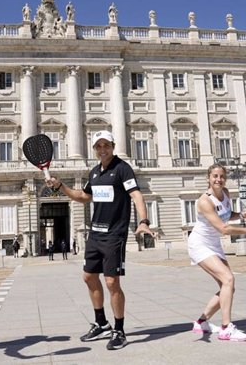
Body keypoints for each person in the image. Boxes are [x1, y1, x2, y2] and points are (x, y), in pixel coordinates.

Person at [46, 130, 150, 350]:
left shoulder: (122, 168)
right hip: (96, 234)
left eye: (106, 145)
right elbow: (83, 197)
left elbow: (136, 195)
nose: (103, 149)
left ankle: (119, 330)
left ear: (113, 145)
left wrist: (144, 221)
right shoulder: (94, 172)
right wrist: (60, 186)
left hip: (115, 234)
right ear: (94, 149)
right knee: (89, 277)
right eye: (98, 146)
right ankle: (101, 322)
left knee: (112, 282)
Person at [188, 164, 246, 342]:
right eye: (215, 176)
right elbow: (223, 228)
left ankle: (201, 322)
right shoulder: (204, 201)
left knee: (228, 286)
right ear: (208, 178)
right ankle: (226, 328)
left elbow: (227, 215)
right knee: (228, 279)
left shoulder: (226, 193)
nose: (218, 179)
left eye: (221, 176)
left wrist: (243, 214)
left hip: (214, 244)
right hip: (200, 244)